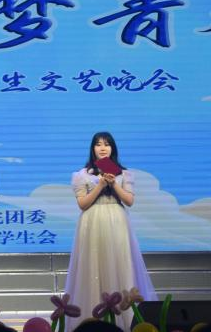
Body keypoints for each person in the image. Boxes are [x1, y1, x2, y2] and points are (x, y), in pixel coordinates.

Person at [64, 132, 155, 332]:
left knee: (119, 264)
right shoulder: (82, 174)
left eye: (107, 144)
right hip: (92, 221)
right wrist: (100, 185)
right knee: (92, 267)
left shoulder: (124, 174)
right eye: (98, 144)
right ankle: (91, 322)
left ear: (113, 148)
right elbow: (82, 204)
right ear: (92, 149)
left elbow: (129, 201)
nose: (103, 148)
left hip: (117, 220)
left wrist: (113, 184)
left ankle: (126, 322)